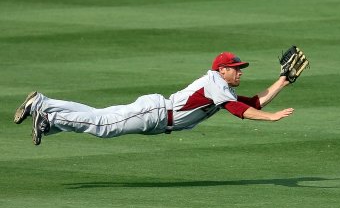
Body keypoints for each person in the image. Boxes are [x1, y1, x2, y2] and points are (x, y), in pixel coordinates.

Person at [14, 52, 294, 146]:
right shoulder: (215, 83)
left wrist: (284, 79)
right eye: (236, 68)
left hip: (155, 113)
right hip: (156, 114)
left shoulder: (221, 88)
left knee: (99, 116)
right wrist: (272, 118)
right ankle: (50, 115)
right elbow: (239, 111)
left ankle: (43, 107)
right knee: (103, 125)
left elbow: (252, 103)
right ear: (222, 70)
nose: (240, 72)